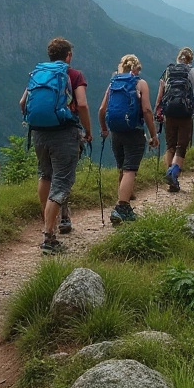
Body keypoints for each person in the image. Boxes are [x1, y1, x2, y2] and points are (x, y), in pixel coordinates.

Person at [20, 37, 93, 255]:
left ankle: (48, 221)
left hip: (39, 134)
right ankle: (49, 236)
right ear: (68, 56)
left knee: (45, 175)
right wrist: (88, 131)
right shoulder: (74, 74)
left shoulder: (39, 73)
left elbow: (22, 103)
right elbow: (81, 104)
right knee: (61, 182)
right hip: (64, 133)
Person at [98, 54, 160, 224]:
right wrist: (153, 135)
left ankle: (123, 199)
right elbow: (147, 110)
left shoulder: (113, 83)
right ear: (136, 68)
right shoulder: (140, 83)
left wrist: (104, 128)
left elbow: (102, 109)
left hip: (116, 132)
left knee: (122, 168)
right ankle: (122, 207)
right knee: (130, 170)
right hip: (134, 132)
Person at [155, 47, 194, 192]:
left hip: (169, 112)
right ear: (191, 59)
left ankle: (171, 179)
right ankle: (173, 173)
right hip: (186, 114)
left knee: (170, 145)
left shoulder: (168, 71)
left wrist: (157, 110)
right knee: (181, 146)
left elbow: (160, 94)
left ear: (178, 58)